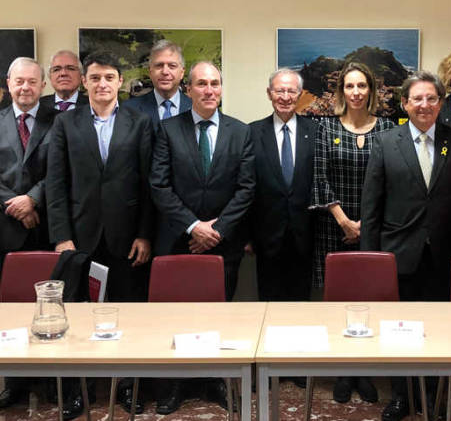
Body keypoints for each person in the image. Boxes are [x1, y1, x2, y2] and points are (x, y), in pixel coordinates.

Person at [46, 52, 154, 418]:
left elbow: (148, 184)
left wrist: (144, 234)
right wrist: (62, 236)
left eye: (109, 77)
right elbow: (56, 183)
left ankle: (128, 386)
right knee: (79, 318)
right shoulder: (65, 123)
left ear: (120, 81)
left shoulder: (140, 123)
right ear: (84, 82)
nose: (102, 84)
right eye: (95, 78)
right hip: (80, 238)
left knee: (128, 313)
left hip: (127, 240)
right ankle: (80, 390)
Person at [361, 71, 451, 421]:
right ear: (405, 104)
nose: (424, 105)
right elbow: (371, 204)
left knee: (439, 330)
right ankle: (400, 395)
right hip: (398, 251)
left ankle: (434, 396)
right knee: (399, 328)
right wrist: (370, 258)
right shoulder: (386, 142)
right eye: (417, 99)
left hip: (444, 252)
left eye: (431, 99)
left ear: (441, 103)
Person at [149, 61, 254, 414]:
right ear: (188, 89)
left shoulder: (241, 132)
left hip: (225, 244)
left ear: (221, 89)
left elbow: (246, 188)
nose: (209, 90)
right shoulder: (167, 130)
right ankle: (178, 383)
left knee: (217, 314)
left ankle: (215, 381)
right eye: (201, 84)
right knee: (181, 317)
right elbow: (159, 185)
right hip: (180, 243)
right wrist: (194, 227)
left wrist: (218, 229)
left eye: (215, 84)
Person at [0, 57, 58, 410]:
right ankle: (16, 381)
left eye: (32, 81)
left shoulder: (60, 121)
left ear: (43, 85)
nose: (25, 87)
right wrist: (16, 204)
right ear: (8, 83)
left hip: (47, 225)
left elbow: (60, 168)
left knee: (52, 305)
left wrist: (34, 200)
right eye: (18, 81)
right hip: (7, 226)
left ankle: (54, 377)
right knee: (10, 307)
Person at [310, 62, 393, 405]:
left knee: (369, 301)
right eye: (349, 86)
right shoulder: (324, 126)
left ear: (371, 90)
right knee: (339, 302)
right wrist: (345, 221)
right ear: (341, 91)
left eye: (362, 86)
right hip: (334, 228)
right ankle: (344, 369)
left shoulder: (387, 128)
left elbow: (392, 182)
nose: (356, 92)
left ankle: (364, 369)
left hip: (375, 231)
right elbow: (318, 177)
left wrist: (365, 226)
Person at [248, 69, 316, 301]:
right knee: (268, 303)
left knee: (301, 304)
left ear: (299, 95)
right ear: (269, 93)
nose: (285, 97)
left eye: (291, 91)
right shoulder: (252, 132)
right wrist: (246, 235)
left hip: (306, 236)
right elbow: (247, 187)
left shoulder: (316, 132)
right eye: (280, 91)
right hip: (266, 237)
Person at [123, 39, 192, 124]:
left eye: (172, 66)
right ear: (150, 72)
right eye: (159, 65)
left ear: (182, 73)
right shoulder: (130, 109)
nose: (165, 72)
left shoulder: (196, 108)